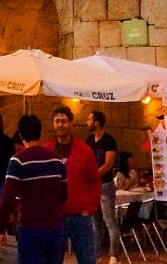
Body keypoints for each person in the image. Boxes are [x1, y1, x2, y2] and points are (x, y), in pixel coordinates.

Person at [0, 114, 67, 264]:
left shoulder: (17, 161)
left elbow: (7, 198)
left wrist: (1, 229)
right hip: (56, 228)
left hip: (30, 228)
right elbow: (64, 196)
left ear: (21, 136)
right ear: (40, 133)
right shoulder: (57, 160)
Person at [44, 105, 101, 264]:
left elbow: (95, 181)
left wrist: (89, 208)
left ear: (71, 123)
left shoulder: (84, 150)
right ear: (53, 123)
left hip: (80, 217)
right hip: (55, 217)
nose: (60, 125)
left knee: (87, 260)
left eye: (64, 121)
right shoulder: (47, 150)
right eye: (57, 121)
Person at [86, 110, 119, 259]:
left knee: (109, 221)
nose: (87, 122)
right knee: (95, 222)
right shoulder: (89, 141)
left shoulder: (109, 141)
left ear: (96, 122)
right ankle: (97, 254)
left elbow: (109, 164)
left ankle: (114, 256)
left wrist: (93, 175)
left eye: (89, 119)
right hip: (92, 187)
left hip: (105, 186)